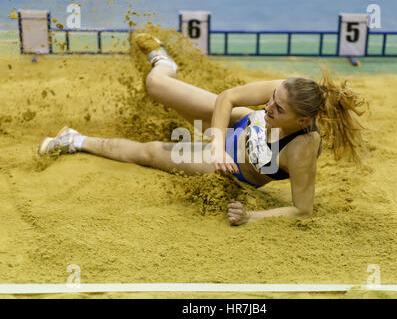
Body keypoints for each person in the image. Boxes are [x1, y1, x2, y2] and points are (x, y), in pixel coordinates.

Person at [38, 34, 366, 226]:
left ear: (300, 120)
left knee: (150, 151)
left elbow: (302, 210)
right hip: (234, 127)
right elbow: (228, 98)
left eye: (278, 110)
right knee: (156, 83)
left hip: (229, 167)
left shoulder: (301, 149)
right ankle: (165, 62)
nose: (269, 107)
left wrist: (252, 216)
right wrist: (219, 139)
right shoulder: (285, 90)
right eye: (271, 100)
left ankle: (74, 139)